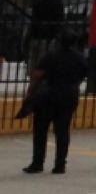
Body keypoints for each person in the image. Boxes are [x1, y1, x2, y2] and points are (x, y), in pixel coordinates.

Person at [22, 32, 89, 175]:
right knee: (62, 131)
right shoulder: (80, 58)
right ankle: (60, 165)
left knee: (40, 130)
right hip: (69, 95)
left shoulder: (51, 56)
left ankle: (37, 163)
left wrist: (30, 93)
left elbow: (37, 75)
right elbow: (83, 74)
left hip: (49, 95)